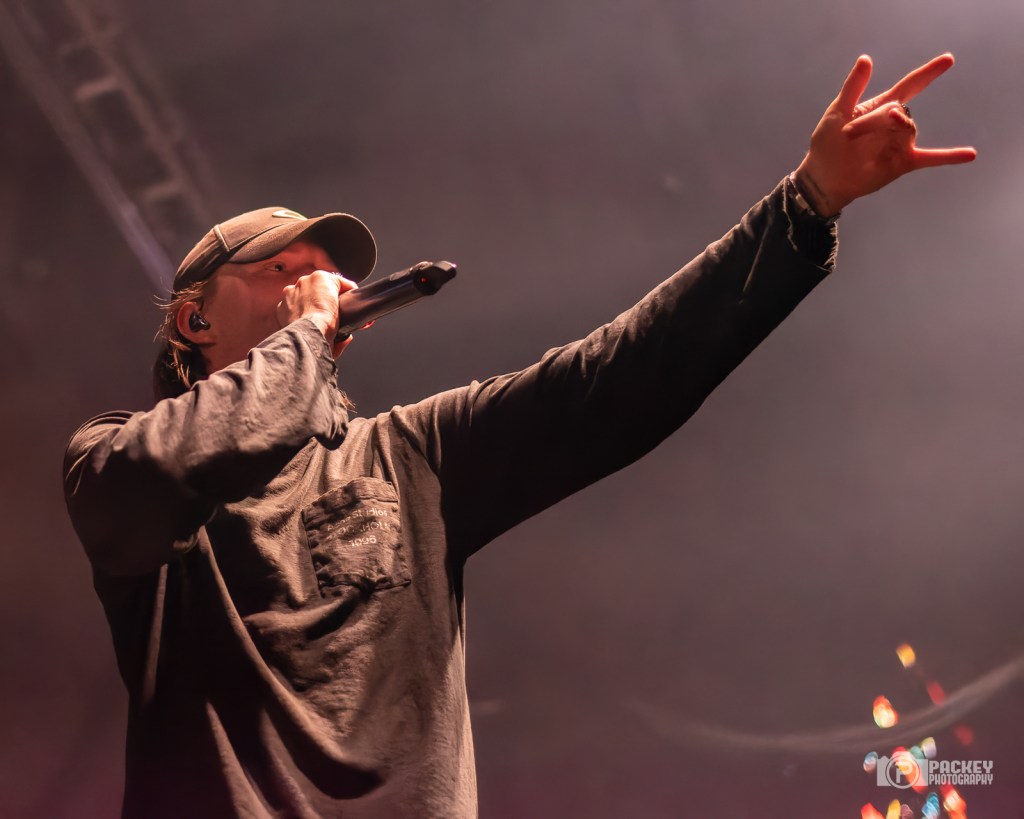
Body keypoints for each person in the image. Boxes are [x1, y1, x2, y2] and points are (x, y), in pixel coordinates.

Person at [63, 54, 975, 818]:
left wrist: (807, 202)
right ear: (194, 320)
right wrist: (303, 337)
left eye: (328, 277)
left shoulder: (408, 456)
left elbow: (616, 380)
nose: (326, 288)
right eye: (285, 272)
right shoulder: (113, 457)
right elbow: (177, 468)